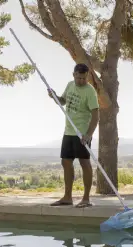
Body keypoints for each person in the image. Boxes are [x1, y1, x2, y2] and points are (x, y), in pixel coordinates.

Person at [48, 63, 99, 208]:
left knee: (84, 162)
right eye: (79, 78)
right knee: (66, 162)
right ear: (74, 75)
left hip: (82, 133)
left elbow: (96, 115)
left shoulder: (90, 92)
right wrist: (54, 96)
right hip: (68, 131)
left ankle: (86, 198)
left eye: (84, 78)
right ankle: (67, 197)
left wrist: (88, 134)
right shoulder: (70, 85)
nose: (82, 81)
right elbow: (63, 101)